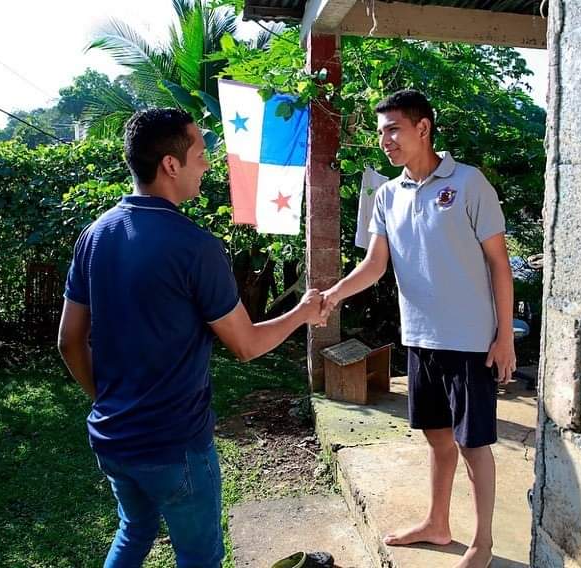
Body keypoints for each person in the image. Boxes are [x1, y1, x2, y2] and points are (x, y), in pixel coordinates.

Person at [57, 108, 323, 568]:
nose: (208, 164)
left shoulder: (94, 236)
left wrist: (106, 401)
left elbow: (68, 341)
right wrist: (301, 313)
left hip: (112, 437)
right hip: (173, 444)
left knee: (134, 529)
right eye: (200, 153)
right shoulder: (195, 246)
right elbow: (245, 345)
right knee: (200, 557)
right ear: (170, 165)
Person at [319, 90, 515, 568]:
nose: (384, 139)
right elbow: (374, 265)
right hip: (420, 339)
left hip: (470, 342)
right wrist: (333, 294)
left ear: (423, 128)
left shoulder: (469, 184)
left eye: (393, 129)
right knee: (437, 437)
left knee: (473, 446)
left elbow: (500, 263)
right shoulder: (387, 194)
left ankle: (483, 543)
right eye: (381, 130)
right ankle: (438, 522)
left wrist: (504, 336)